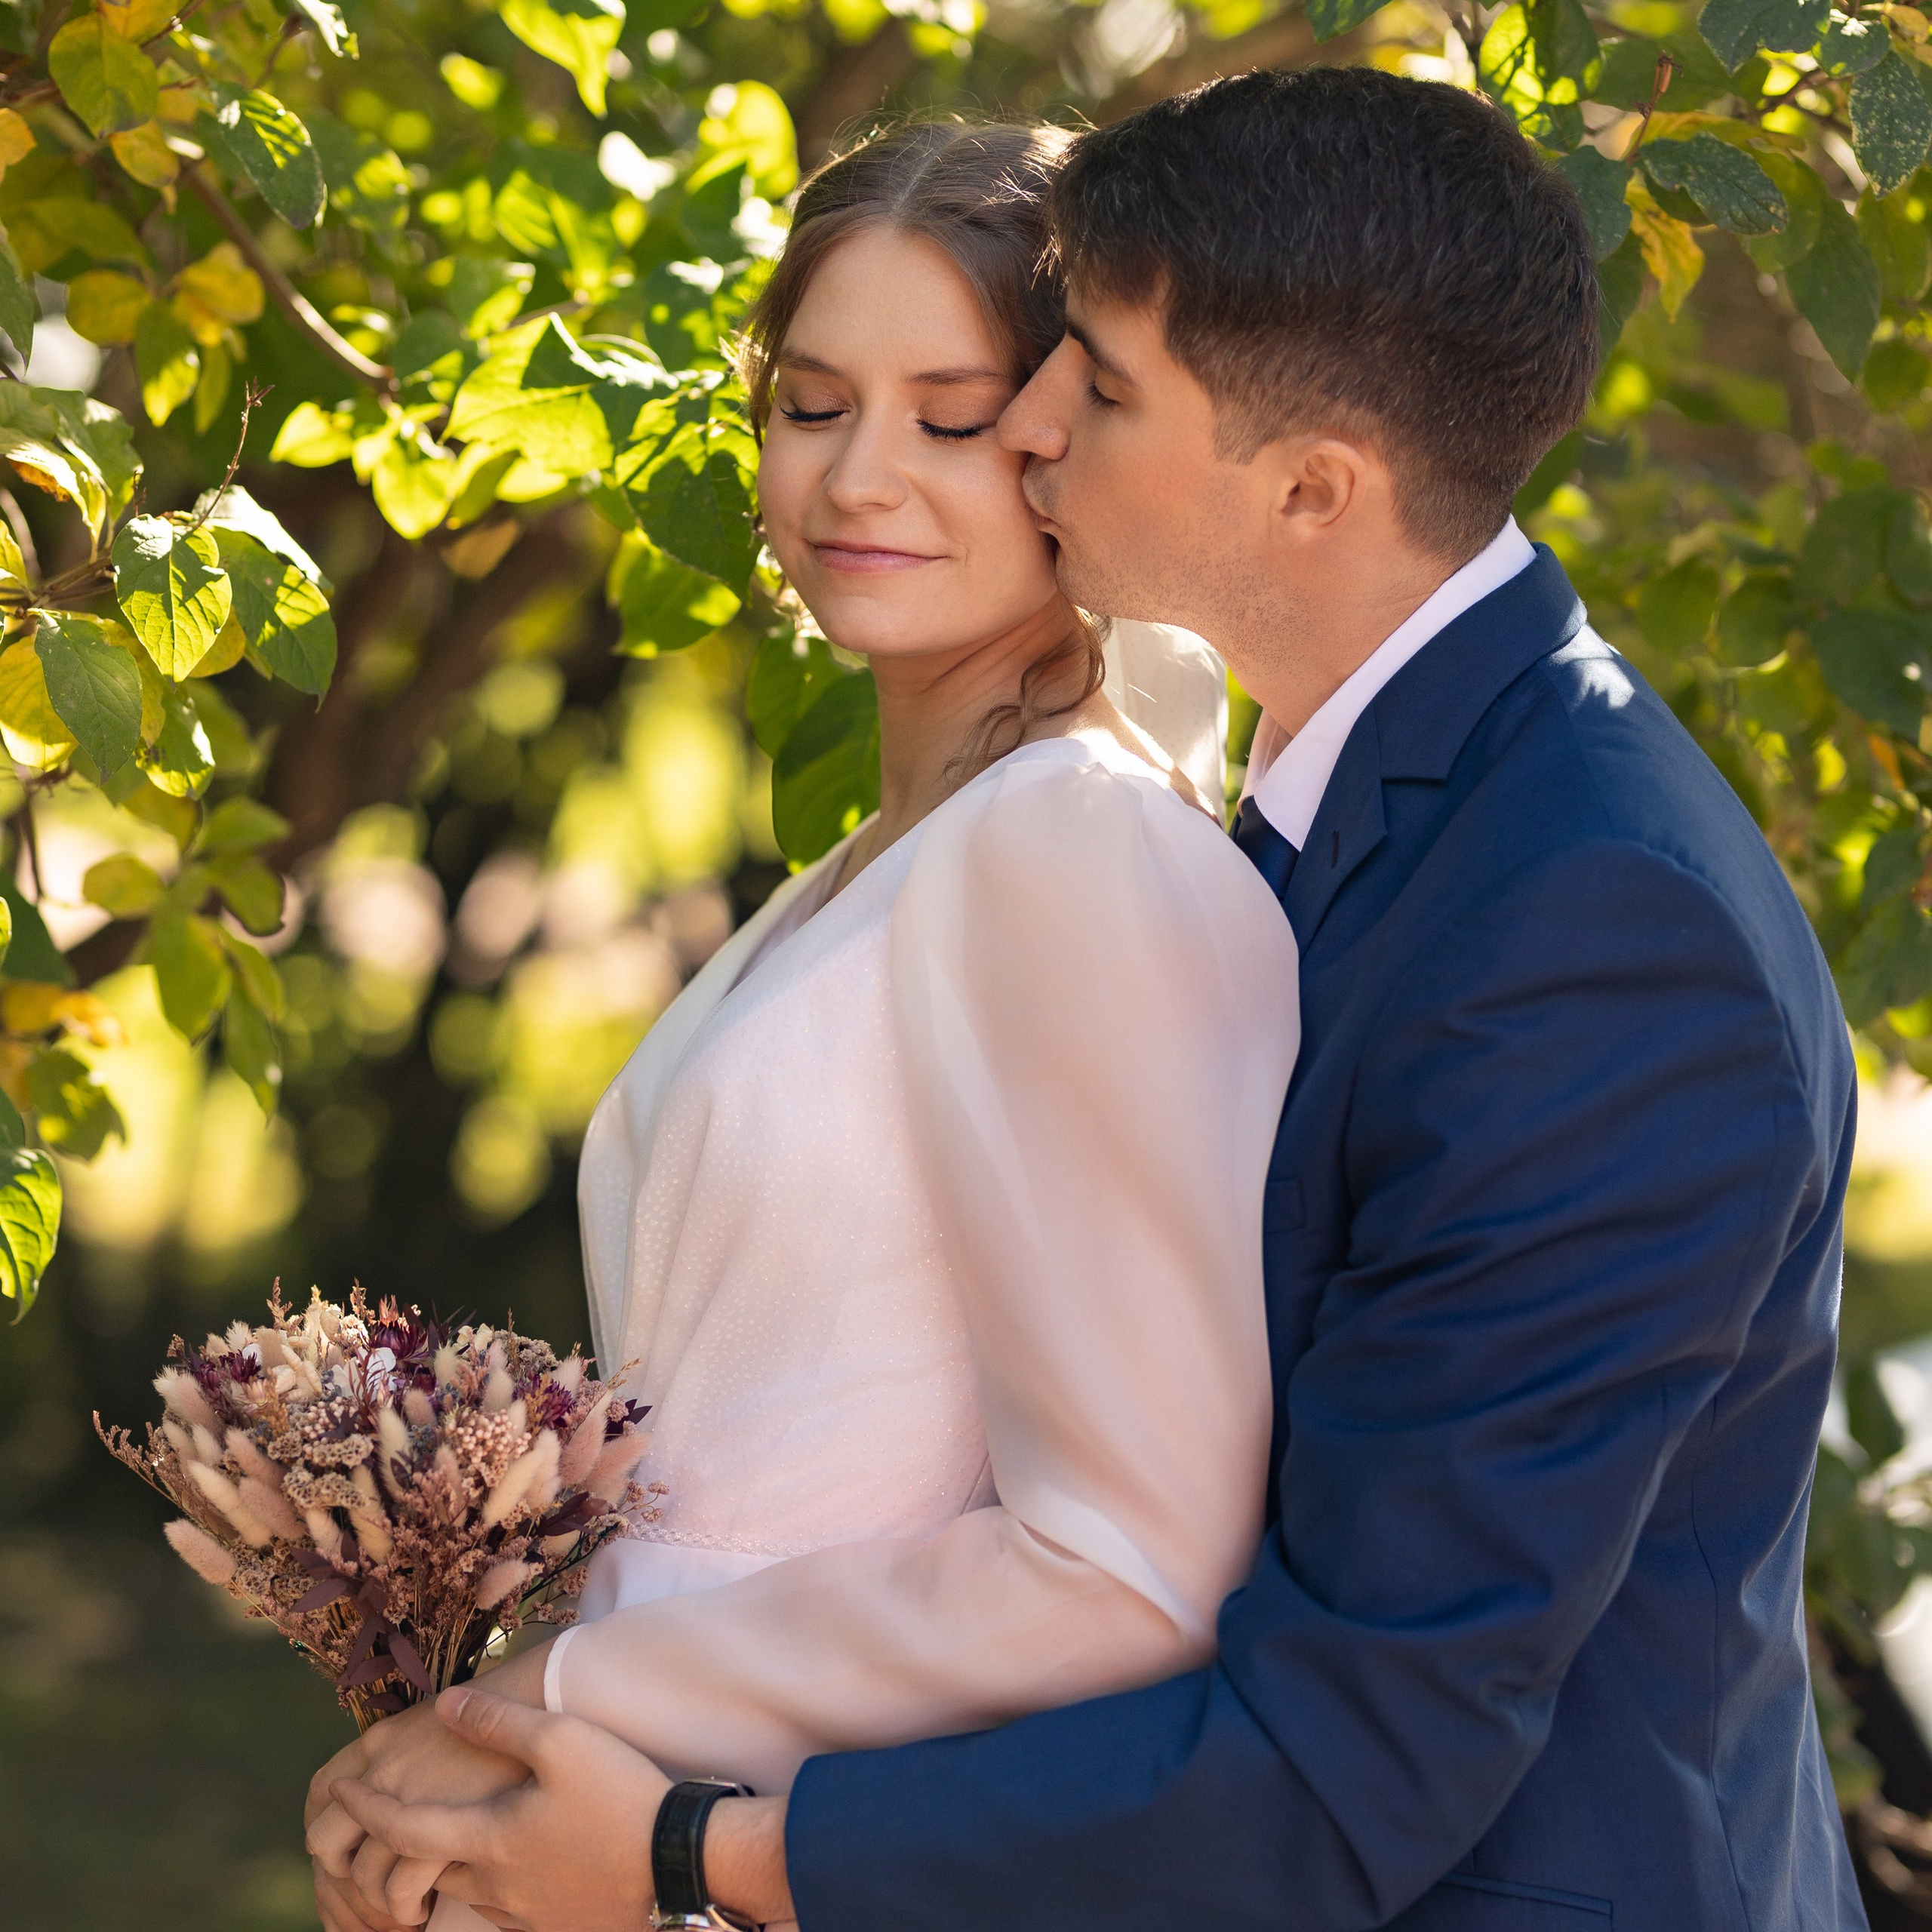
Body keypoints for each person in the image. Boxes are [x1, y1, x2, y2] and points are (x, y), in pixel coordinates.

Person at [321, 66, 1869, 1932]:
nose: (1035, 427)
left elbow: (1360, 1722)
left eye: (1094, 389)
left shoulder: (1597, 922)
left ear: (1311, 488)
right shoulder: (1337, 816)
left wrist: (678, 1840)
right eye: (812, 400)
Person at [306, 118, 1298, 1932]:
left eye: (950, 418)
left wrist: (558, 1703)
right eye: (811, 402)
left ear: (1069, 439)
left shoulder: (1073, 850)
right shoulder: (877, 856)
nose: (856, 477)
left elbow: (1128, 1567)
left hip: (798, 1838)